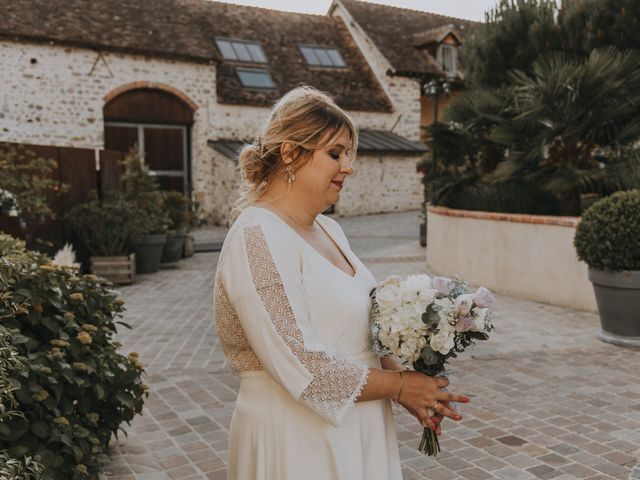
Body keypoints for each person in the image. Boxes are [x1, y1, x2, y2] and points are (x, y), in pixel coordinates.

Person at [213, 86, 469, 480]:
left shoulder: (330, 230)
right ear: (290, 153)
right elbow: (303, 365)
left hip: (361, 427)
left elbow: (364, 331)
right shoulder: (257, 234)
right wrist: (399, 385)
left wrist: (412, 391)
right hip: (297, 439)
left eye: (348, 154)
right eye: (335, 153)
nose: (347, 166)